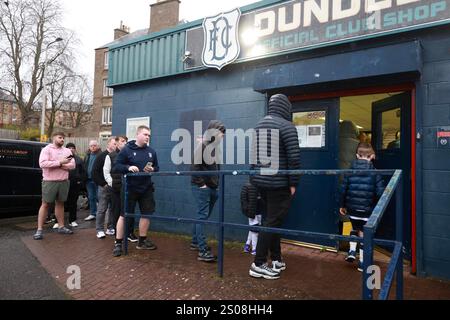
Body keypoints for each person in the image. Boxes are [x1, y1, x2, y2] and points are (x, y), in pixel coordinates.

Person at [249, 94, 301, 280]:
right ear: (286, 108)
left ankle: (277, 260)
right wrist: (294, 183)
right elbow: (294, 159)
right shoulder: (287, 126)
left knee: (272, 221)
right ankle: (258, 263)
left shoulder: (258, 125)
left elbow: (254, 158)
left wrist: (253, 178)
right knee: (271, 222)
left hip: (261, 183)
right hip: (279, 184)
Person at [113, 126, 159, 255]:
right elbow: (117, 166)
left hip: (146, 188)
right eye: (145, 134)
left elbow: (157, 167)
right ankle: (118, 243)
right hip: (129, 188)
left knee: (146, 214)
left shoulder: (151, 151)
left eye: (149, 135)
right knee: (123, 215)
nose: (147, 137)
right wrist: (128, 167)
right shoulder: (127, 150)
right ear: (138, 134)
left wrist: (153, 169)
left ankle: (142, 241)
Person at [339, 142, 384, 271]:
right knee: (364, 234)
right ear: (372, 156)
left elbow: (343, 189)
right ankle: (363, 262)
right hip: (366, 210)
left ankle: (352, 251)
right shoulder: (375, 173)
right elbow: (380, 193)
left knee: (354, 228)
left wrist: (342, 205)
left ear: (357, 155)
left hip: (352, 209)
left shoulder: (349, 171)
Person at [190, 120, 226, 262]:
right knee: (202, 216)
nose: (222, 136)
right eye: (221, 133)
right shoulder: (203, 146)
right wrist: (202, 185)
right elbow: (194, 168)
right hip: (202, 188)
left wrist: (215, 185)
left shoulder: (214, 148)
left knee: (202, 217)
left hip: (212, 188)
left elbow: (216, 168)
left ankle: (195, 242)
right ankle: (202, 250)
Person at [33, 132, 75, 240]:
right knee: (45, 204)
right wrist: (60, 163)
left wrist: (60, 165)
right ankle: (39, 230)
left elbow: (72, 165)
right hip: (49, 181)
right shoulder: (47, 149)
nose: (62, 140)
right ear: (54, 138)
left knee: (60, 204)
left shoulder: (67, 150)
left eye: (63, 138)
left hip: (64, 181)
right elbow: (42, 164)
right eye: (60, 137)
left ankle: (61, 227)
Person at [93, 137, 117, 239]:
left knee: (112, 208)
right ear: (108, 144)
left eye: (116, 143)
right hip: (104, 187)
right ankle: (99, 230)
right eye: (114, 143)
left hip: (114, 186)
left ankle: (110, 227)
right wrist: (103, 184)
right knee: (102, 209)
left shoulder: (117, 156)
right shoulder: (101, 156)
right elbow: (94, 172)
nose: (116, 145)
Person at [64, 143, 86, 228]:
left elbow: (83, 172)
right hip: (63, 182)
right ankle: (58, 221)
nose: (71, 149)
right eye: (69, 148)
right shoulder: (62, 159)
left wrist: (80, 181)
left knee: (73, 203)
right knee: (61, 202)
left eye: (73, 148)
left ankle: (72, 220)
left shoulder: (79, 160)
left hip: (74, 184)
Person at [240, 180, 264, 255]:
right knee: (255, 230)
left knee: (253, 228)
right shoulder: (247, 186)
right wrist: (248, 211)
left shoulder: (262, 185)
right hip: (252, 212)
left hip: (260, 211)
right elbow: (243, 200)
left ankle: (247, 245)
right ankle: (254, 249)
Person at [84, 140, 101, 221]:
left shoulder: (101, 155)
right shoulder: (87, 155)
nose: (93, 147)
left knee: (99, 197)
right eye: (91, 146)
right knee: (91, 197)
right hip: (88, 180)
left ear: (98, 146)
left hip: (97, 180)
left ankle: (100, 214)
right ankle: (92, 213)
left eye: (94, 145)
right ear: (89, 147)